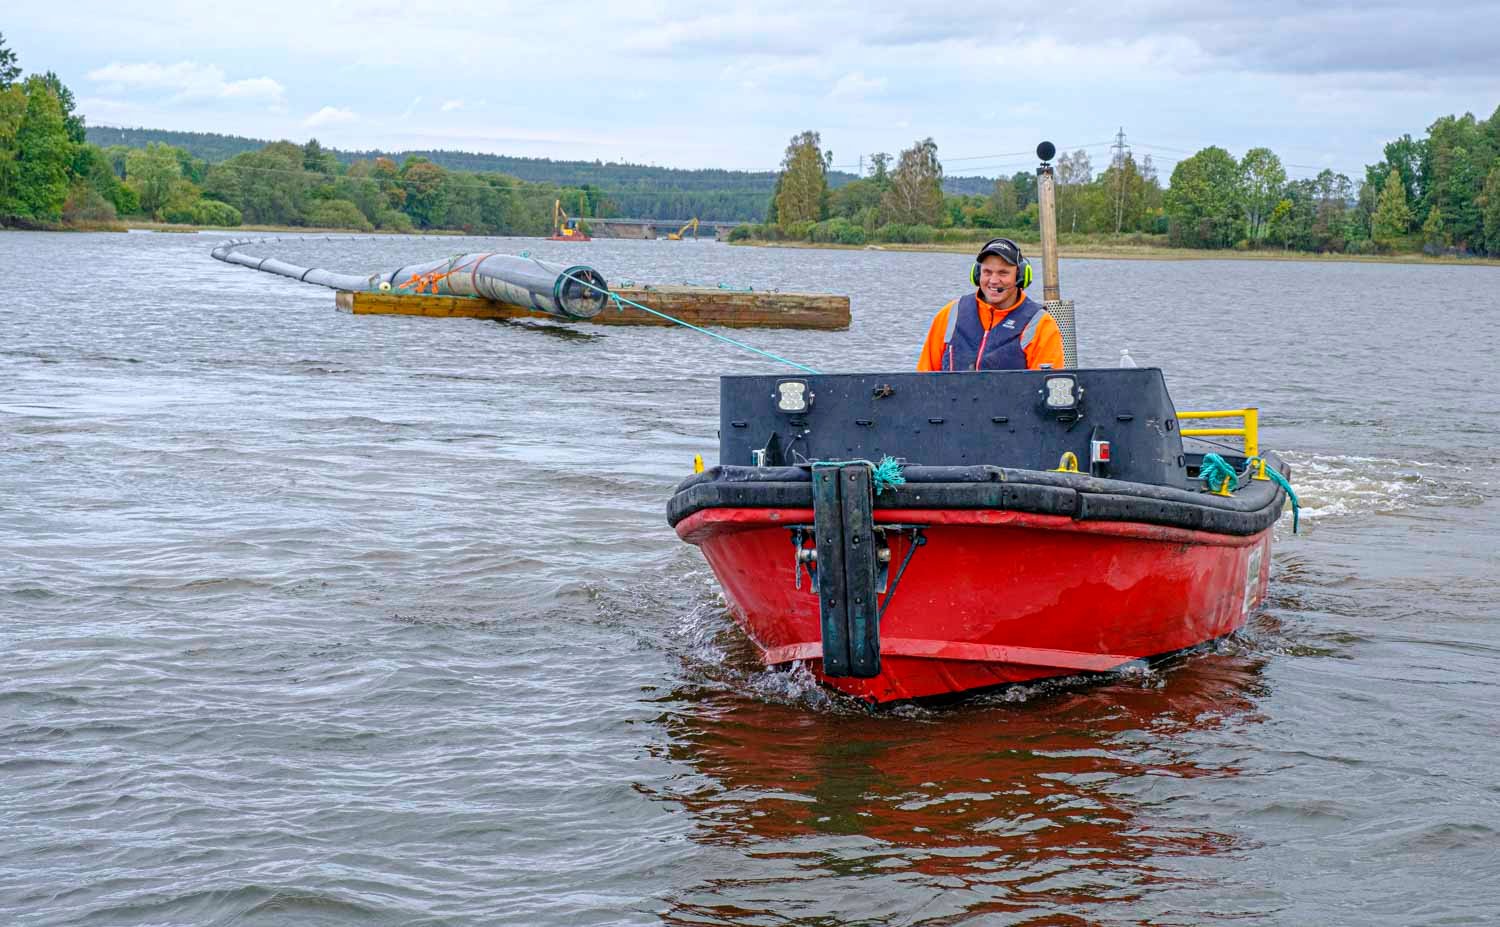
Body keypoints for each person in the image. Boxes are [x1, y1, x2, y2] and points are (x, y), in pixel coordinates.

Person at [916, 238, 1065, 371]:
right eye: (987, 272)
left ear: (1020, 277)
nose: (993, 280)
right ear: (977, 274)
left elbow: (1047, 391)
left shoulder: (1041, 324)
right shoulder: (950, 314)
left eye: (1003, 273)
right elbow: (923, 379)